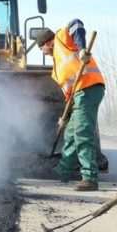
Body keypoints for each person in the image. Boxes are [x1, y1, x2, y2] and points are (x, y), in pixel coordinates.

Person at [36, 20, 105, 191]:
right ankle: (63, 170)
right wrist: (64, 118)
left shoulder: (60, 38)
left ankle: (90, 177)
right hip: (78, 96)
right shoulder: (56, 70)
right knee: (70, 134)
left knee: (82, 132)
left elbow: (76, 24)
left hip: (89, 89)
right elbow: (69, 97)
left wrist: (82, 49)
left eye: (41, 48)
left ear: (47, 43)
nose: (42, 52)